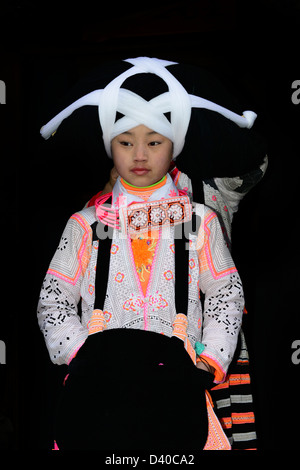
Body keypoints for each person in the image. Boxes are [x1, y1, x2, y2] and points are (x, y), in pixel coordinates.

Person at [37, 57, 266, 450]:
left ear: (174, 146)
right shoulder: (87, 223)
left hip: (177, 392)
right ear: (110, 145)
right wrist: (77, 351)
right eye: (126, 142)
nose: (139, 155)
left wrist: (210, 359)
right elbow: (54, 297)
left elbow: (226, 293)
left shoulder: (199, 220)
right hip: (98, 393)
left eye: (154, 142)